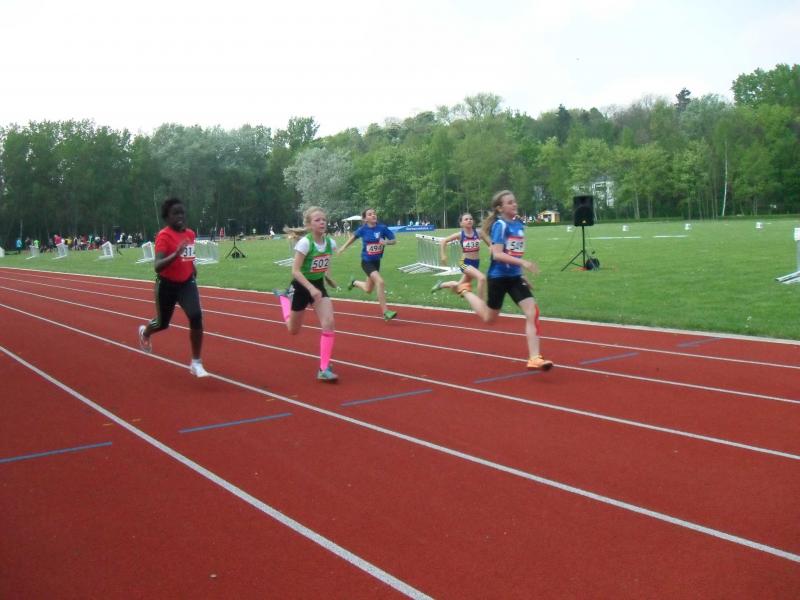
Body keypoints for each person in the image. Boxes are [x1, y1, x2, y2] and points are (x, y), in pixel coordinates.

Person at [455, 190, 554, 371]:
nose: (514, 204)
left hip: (514, 277)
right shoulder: (500, 225)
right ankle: (465, 290)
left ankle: (534, 358)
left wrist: (520, 273)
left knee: (532, 312)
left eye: (514, 201)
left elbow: (514, 253)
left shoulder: (519, 225)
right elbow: (497, 254)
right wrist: (523, 263)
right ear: (500, 208)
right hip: (498, 278)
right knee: (489, 318)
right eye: (509, 202)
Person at [138, 197, 208, 378]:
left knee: (196, 316)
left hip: (186, 283)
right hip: (166, 285)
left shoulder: (190, 234)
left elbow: (188, 256)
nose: (180, 216)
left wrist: (192, 268)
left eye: (182, 213)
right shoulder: (164, 236)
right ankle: (145, 332)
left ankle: (196, 362)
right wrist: (176, 254)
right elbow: (157, 266)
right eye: (175, 213)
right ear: (167, 217)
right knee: (162, 323)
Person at [272, 207, 340, 381]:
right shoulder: (305, 243)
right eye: (317, 220)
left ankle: (323, 368)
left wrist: (328, 277)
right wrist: (310, 288)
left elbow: (325, 262)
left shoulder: (331, 243)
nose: (322, 222)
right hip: (301, 287)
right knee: (293, 330)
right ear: (309, 225)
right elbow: (295, 271)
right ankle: (284, 299)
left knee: (329, 322)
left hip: (318, 286)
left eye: (324, 219)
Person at [337, 208, 398, 320]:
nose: (373, 215)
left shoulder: (382, 228)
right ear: (365, 219)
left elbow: (394, 240)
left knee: (368, 289)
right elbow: (353, 238)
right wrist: (343, 247)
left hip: (376, 262)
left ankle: (354, 282)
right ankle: (386, 312)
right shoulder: (362, 230)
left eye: (374, 213)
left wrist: (386, 242)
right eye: (370, 214)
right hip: (366, 262)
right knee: (380, 282)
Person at [431, 212, 490, 299]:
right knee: (481, 278)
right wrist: (443, 255)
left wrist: (492, 249)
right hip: (464, 263)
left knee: (459, 286)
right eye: (466, 219)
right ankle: (481, 303)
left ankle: (441, 285)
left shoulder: (479, 233)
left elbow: (491, 244)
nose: (469, 220)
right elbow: (444, 241)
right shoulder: (460, 235)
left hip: (475, 263)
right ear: (461, 223)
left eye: (470, 219)